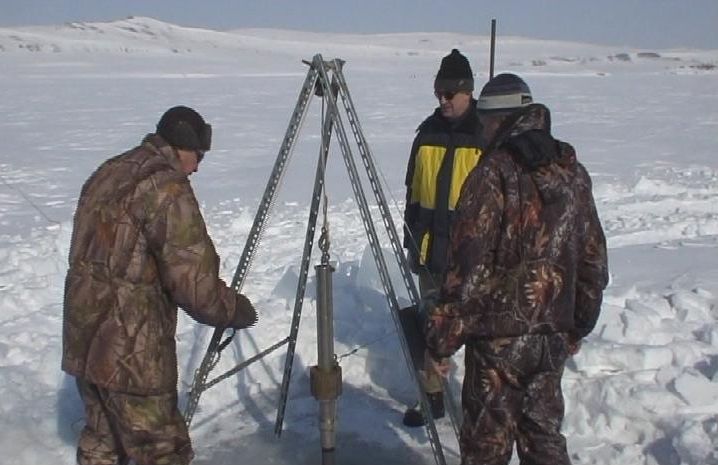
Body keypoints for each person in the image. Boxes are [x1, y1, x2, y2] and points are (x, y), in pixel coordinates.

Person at [424, 74, 609, 465]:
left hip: (498, 345)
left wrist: (442, 338)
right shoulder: (573, 172)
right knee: (543, 438)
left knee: (487, 448)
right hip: (552, 336)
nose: (484, 130)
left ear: (500, 121)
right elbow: (593, 259)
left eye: (487, 123)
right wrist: (577, 324)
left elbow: (466, 268)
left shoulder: (492, 174)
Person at [62, 106, 258, 465]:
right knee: (161, 450)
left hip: (85, 341)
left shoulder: (110, 171)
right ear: (182, 146)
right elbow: (192, 280)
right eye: (197, 156)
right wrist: (231, 309)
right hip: (131, 352)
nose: (197, 167)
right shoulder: (167, 188)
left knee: (102, 442)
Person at [402, 48, 485, 427]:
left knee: (478, 330)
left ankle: (479, 405)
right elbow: (414, 194)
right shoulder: (427, 133)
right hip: (430, 251)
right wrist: (411, 241)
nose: (443, 100)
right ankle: (431, 397)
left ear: (468, 91)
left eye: (450, 93)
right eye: (438, 93)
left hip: (472, 257)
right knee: (430, 327)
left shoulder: (486, 135)